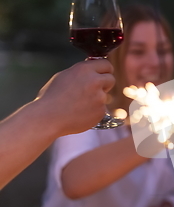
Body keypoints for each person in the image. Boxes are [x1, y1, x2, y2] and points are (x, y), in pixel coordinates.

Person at [0, 5, 174, 207]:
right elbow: (75, 181)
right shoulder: (87, 111)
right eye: (138, 51)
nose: (155, 62)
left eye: (163, 50)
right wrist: (163, 133)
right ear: (115, 54)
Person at [0, 60, 115, 190]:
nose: (144, 65)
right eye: (137, 52)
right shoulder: (81, 111)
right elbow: (76, 181)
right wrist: (51, 109)